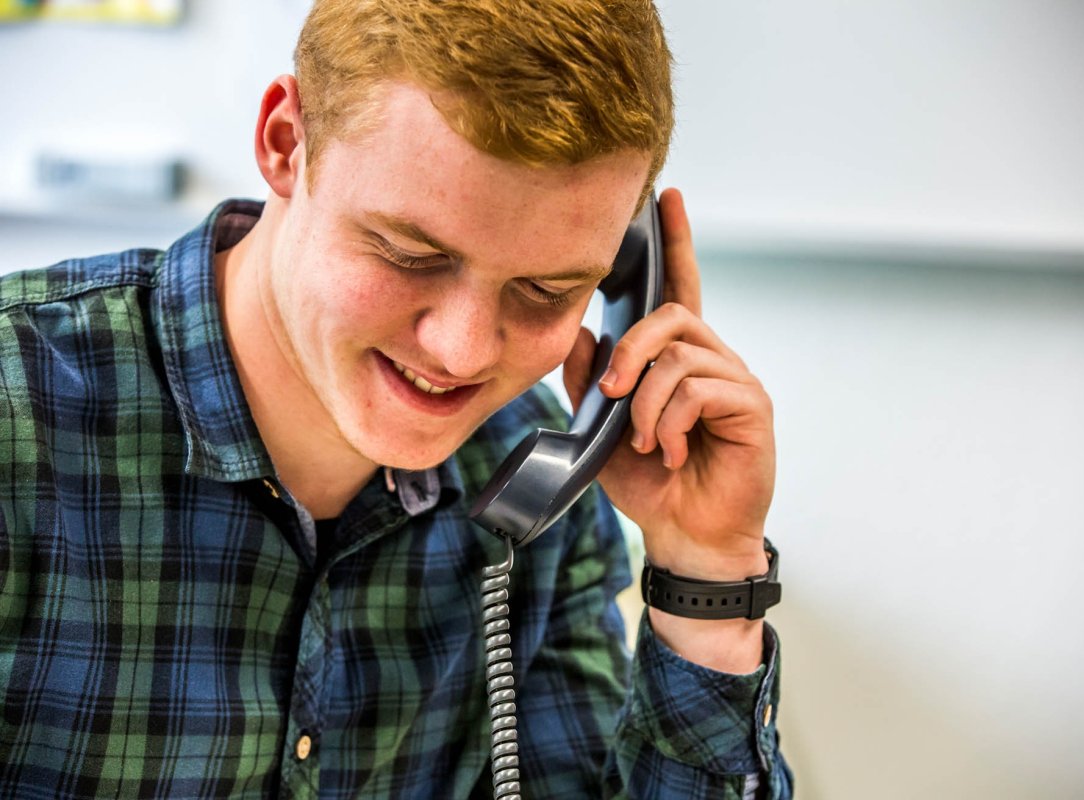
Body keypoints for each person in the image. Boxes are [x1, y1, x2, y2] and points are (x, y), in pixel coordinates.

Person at [0, 1, 791, 797]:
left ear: (623, 273)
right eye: (410, 254)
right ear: (285, 143)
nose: (463, 351)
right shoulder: (17, 413)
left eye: (548, 290)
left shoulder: (538, 497)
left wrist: (708, 583)